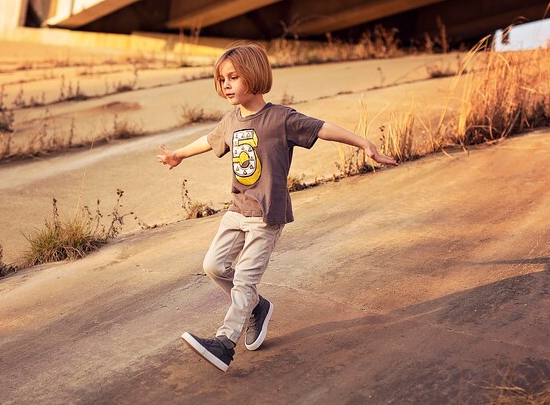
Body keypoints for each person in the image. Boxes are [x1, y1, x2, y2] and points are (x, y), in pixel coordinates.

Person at [157, 43, 398, 372]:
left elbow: (322, 129)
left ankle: (225, 343)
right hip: (237, 210)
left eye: (233, 77)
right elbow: (208, 140)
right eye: (221, 79)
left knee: (244, 278)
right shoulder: (230, 121)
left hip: (266, 215)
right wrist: (178, 155)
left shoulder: (281, 118)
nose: (225, 85)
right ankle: (257, 308)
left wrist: (364, 144)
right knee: (214, 266)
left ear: (254, 77)